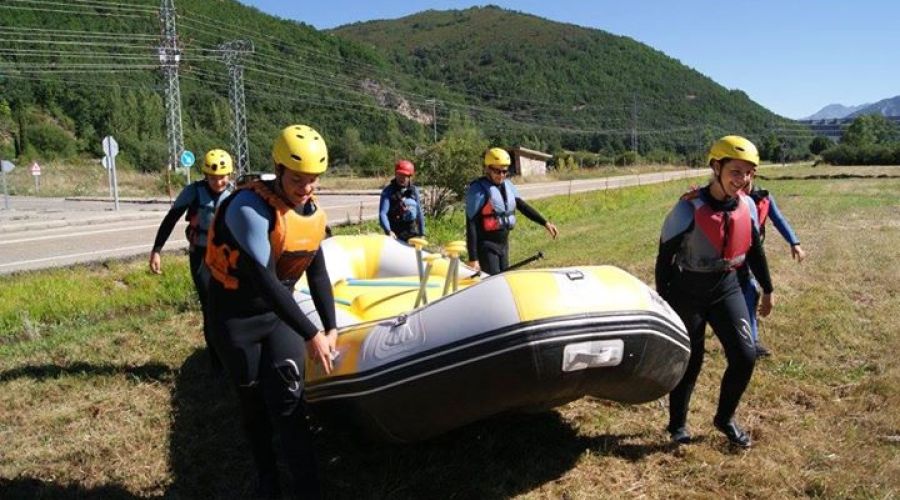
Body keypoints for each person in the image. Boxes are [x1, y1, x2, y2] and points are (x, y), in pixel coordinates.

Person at [205, 124, 338, 499]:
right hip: (236, 319)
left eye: (313, 179)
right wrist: (311, 333)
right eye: (297, 179)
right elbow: (265, 281)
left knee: (290, 404)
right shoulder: (248, 209)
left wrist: (330, 327)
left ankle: (308, 489)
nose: (306, 188)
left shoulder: (311, 213)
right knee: (253, 406)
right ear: (278, 170)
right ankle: (268, 478)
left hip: (277, 318)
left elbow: (317, 272)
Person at [655, 135, 775, 448]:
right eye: (735, 171)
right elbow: (664, 258)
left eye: (748, 173)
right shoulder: (688, 208)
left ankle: (724, 418)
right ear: (716, 167)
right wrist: (663, 300)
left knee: (745, 356)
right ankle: (678, 425)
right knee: (690, 360)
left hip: (726, 287)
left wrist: (767, 289)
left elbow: (754, 250)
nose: (742, 179)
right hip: (687, 291)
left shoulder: (747, 206)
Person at [149, 148, 234, 371]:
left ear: (230, 175)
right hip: (201, 256)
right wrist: (157, 250)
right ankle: (216, 364)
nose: (218, 182)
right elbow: (171, 219)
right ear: (205, 175)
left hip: (226, 257)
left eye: (223, 177)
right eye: (213, 177)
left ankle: (230, 355)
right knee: (210, 307)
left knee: (230, 307)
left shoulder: (235, 193)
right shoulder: (194, 192)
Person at [739, 172, 806, 357]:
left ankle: (752, 341)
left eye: (746, 173)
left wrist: (794, 242)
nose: (741, 180)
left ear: (752, 174)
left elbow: (779, 220)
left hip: (752, 253)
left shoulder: (765, 198)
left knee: (751, 291)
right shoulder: (728, 197)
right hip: (729, 256)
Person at [465, 147, 559, 274]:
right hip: (486, 247)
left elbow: (523, 207)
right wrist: (473, 259)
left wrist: (545, 223)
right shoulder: (478, 190)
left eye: (504, 171)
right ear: (487, 169)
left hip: (504, 246)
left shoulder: (508, 186)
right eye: (497, 171)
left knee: (504, 278)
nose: (501, 175)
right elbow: (470, 224)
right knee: (494, 281)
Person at [378, 159, 425, 242]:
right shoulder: (388, 191)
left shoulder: (414, 190)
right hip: (394, 232)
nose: (402, 178)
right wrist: (389, 231)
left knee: (410, 203)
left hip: (411, 230)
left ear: (410, 177)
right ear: (395, 174)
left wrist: (422, 233)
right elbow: (383, 213)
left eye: (405, 176)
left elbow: (419, 212)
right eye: (399, 175)